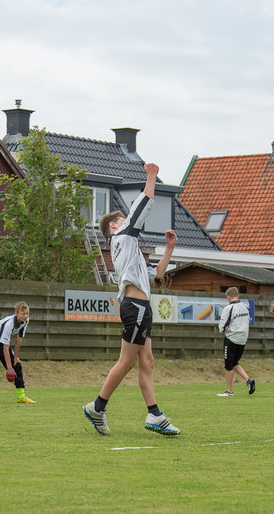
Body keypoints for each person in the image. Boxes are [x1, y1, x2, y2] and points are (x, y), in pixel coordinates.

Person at [83, 162, 180, 436]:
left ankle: (154, 415)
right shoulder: (123, 236)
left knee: (147, 362)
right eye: (123, 219)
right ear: (114, 225)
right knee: (126, 362)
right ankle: (97, 407)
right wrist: (151, 176)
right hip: (135, 307)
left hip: (140, 307)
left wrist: (169, 249)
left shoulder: (128, 247)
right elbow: (143, 205)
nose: (128, 221)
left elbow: (157, 274)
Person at [216, 287, 256, 397]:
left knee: (228, 366)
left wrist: (222, 330)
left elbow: (222, 326)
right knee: (235, 363)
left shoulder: (228, 308)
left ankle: (229, 391)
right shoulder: (245, 307)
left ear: (228, 298)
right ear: (238, 296)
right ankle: (248, 379)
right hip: (243, 339)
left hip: (231, 338)